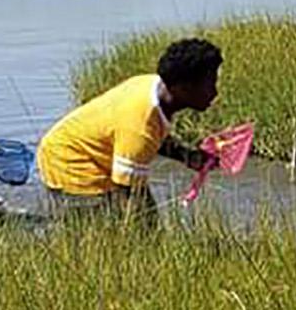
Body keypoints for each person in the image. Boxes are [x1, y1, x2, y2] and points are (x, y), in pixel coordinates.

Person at [36, 38, 223, 224]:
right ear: (183, 87)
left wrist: (187, 156)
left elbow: (153, 135)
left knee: (138, 217)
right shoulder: (139, 125)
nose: (215, 93)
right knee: (102, 231)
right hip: (69, 161)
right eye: (210, 84)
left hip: (90, 148)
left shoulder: (154, 88)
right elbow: (129, 192)